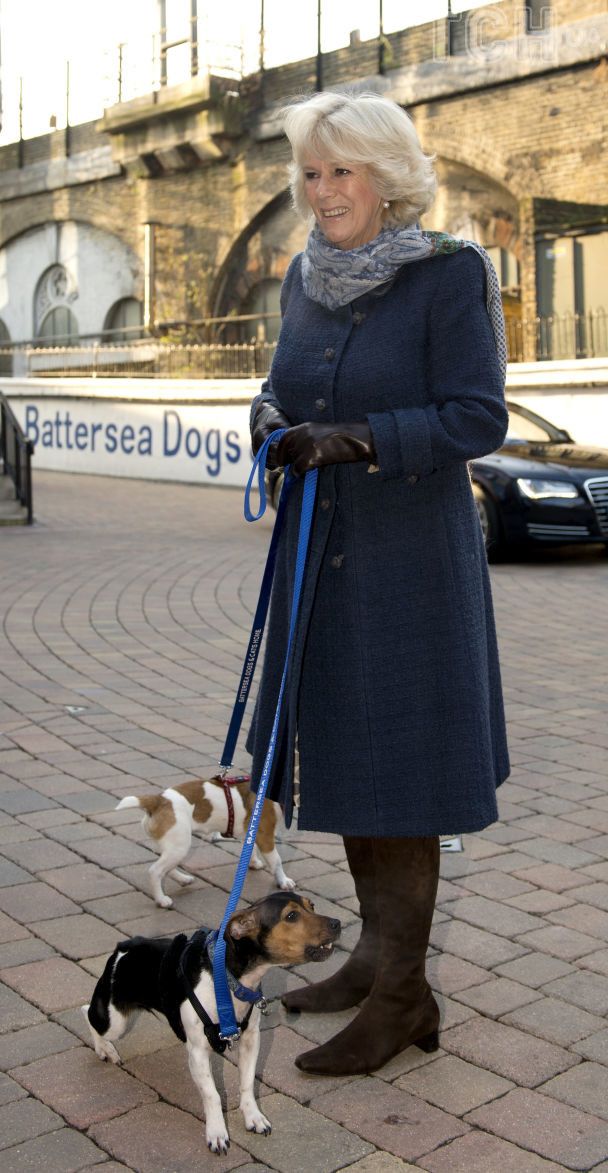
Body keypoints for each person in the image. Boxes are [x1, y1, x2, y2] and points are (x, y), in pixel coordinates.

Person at [246, 90, 510, 1077]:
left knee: (402, 776)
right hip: (320, 564)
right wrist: (270, 421)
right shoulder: (302, 281)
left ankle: (402, 993)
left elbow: (475, 417)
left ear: (387, 178)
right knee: (352, 764)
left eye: (340, 171)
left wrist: (357, 438)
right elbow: (284, 387)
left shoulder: (448, 275)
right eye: (310, 173)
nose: (321, 192)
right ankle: (371, 956)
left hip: (408, 569)